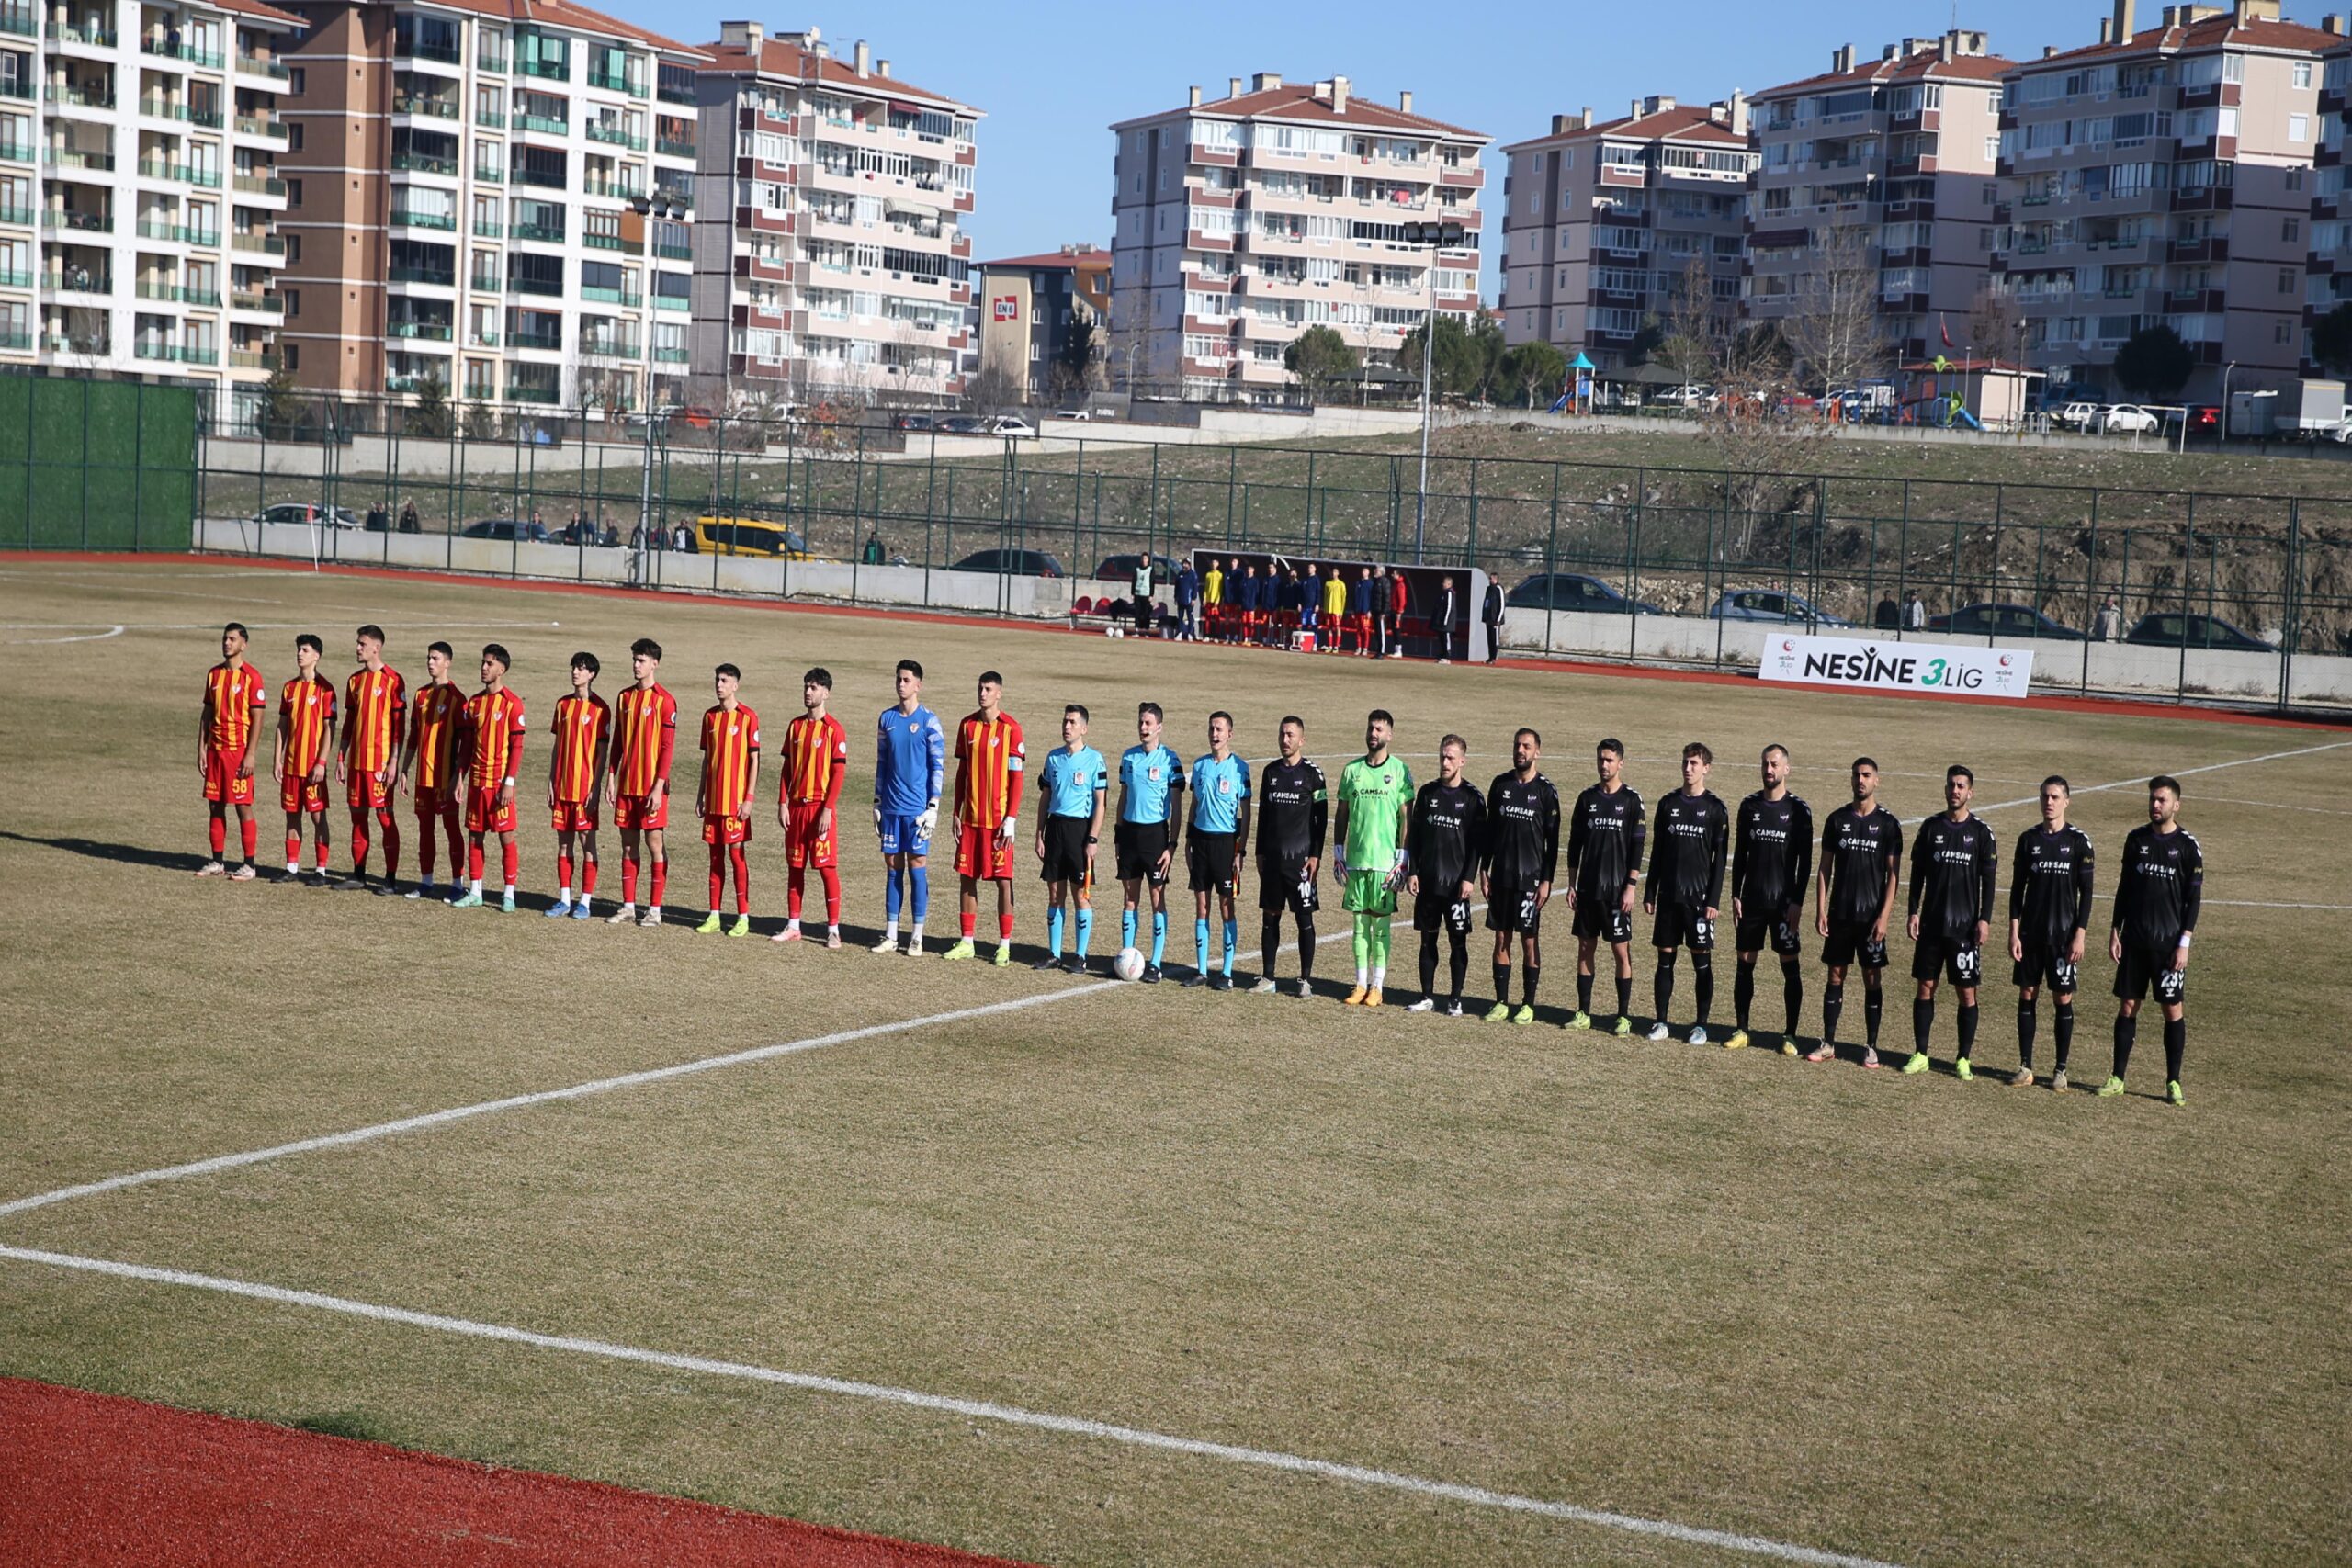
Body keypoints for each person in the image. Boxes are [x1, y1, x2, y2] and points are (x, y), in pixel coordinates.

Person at [2103, 776, 2201, 1105]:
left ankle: (2173, 1082)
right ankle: (2117, 1077)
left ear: (2176, 805)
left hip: (2169, 946)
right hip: (2135, 940)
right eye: (2152, 800)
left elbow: (2193, 899)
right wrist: (2116, 929)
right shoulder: (2136, 840)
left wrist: (2184, 943)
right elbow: (2124, 888)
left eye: (2161, 800)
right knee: (2128, 1005)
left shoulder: (2187, 847)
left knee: (2172, 1010)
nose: (2155, 806)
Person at [1903, 764, 1999, 1078]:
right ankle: (1921, 1053)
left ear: (1970, 792)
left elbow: (1989, 881)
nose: (1955, 790)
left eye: (1961, 786)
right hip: (1932, 925)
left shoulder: (1981, 833)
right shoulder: (1930, 828)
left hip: (1964, 928)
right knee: (1925, 987)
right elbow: (1917, 875)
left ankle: (1963, 1058)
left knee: (1966, 992)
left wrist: (1984, 920)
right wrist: (1913, 910)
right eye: (1951, 785)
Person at [1811, 758, 1904, 1066]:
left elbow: (1893, 875)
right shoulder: (1837, 820)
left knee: (1871, 978)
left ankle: (1871, 1046)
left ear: (1877, 780)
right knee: (1835, 975)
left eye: (1866, 775)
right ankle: (1828, 1042)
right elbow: (1824, 868)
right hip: (1840, 914)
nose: (1860, 780)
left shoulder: (1888, 825)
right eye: (1856, 775)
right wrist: (1821, 908)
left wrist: (1884, 917)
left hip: (1870, 918)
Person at [2008, 775, 2095, 1089]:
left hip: (2063, 938)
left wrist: (2080, 934)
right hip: (2030, 935)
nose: (2049, 802)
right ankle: (2025, 1066)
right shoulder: (2028, 840)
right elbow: (2017, 891)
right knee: (2027, 993)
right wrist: (2014, 932)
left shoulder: (2079, 843)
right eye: (2045, 796)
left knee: (2062, 998)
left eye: (2055, 797)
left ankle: (2060, 1070)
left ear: (2066, 801)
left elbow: (2087, 893)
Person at [1727, 744, 1813, 1054]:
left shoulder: (1799, 810)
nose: (1769, 770)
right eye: (1765, 764)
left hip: (1783, 904)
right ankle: (1742, 1029)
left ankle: (1790, 1034)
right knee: (1744, 964)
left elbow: (1806, 861)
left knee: (1789, 966)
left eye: (1775, 764)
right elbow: (1739, 855)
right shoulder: (1749, 807)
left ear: (1786, 769)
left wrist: (1798, 902)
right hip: (1751, 900)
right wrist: (1735, 893)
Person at [1645, 743, 1730, 1044]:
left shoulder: (1716, 810)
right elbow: (1657, 851)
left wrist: (1713, 900)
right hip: (1669, 897)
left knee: (1700, 961)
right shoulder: (1668, 804)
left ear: (1706, 768)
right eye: (1685, 762)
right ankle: (1661, 1022)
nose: (1688, 767)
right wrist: (1650, 891)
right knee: (1664, 959)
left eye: (1694, 763)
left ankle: (1701, 1026)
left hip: (1698, 902)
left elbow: (1720, 859)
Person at [1479, 728, 1562, 1022]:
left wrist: (1547, 880)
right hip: (1501, 876)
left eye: (1527, 746)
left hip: (1530, 880)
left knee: (1529, 940)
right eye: (1517, 745)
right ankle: (1501, 1001)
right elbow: (1489, 832)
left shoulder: (1546, 792)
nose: (1520, 750)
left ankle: (1527, 1004)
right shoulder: (1500, 785)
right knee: (1501, 938)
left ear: (1537, 752)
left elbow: (1552, 843)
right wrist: (1484, 869)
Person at [943, 671, 1025, 964]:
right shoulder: (967, 726)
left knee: (1004, 881)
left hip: (999, 823)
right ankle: (967, 941)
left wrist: (1011, 817)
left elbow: (1017, 779)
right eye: (980, 688)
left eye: (988, 689)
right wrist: (956, 811)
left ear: (999, 693)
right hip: (971, 820)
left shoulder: (1011, 729)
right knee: (967, 877)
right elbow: (962, 773)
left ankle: (1004, 944)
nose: (983, 693)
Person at [1332, 709, 1412, 1005]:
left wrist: (1403, 857)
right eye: (1370, 728)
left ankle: (1377, 986)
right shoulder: (1352, 770)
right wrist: (1338, 851)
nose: (1373, 734)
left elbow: (1407, 816)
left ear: (1389, 735)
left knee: (1380, 927)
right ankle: (1359, 984)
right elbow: (1341, 813)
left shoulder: (1400, 771)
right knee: (1358, 926)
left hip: (1384, 864)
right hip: (1355, 861)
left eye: (1379, 729)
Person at [1565, 739, 1644, 1034]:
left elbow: (1637, 847)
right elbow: (1575, 846)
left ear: (1621, 763)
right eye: (1601, 759)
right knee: (1586, 947)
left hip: (1616, 892)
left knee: (1620, 951)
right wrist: (1572, 884)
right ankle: (1584, 1012)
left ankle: (1623, 1016)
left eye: (1609, 760)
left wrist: (1631, 886)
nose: (1604, 765)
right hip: (1588, 890)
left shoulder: (1632, 801)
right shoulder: (1587, 799)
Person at [1407, 734, 1485, 1014]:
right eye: (1442, 756)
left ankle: (1455, 998)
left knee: (1457, 941)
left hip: (1456, 886)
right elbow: (1414, 837)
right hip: (1428, 882)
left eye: (1451, 757)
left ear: (1462, 761)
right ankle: (1427, 995)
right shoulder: (1427, 794)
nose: (1445, 761)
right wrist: (1412, 872)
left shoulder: (1473, 798)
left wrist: (1468, 878)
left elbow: (1477, 845)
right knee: (1427, 939)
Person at [603, 637, 679, 929]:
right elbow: (618, 742)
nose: (636, 665)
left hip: (651, 789)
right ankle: (628, 907)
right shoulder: (624, 698)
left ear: (655, 664)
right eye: (634, 659)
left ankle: (656, 910)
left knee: (654, 844)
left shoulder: (665, 700)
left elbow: (667, 748)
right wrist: (611, 777)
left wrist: (659, 787)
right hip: (627, 787)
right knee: (627, 846)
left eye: (642, 660)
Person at [872, 658, 946, 955]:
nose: (901, 684)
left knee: (917, 869)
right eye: (898, 679)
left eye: (906, 680)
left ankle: (917, 935)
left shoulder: (929, 722)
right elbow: (881, 763)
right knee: (892, 869)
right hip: (891, 808)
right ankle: (891, 934)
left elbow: (937, 766)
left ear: (918, 685)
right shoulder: (886, 719)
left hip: (917, 812)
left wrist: (933, 807)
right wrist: (877, 801)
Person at [775, 667, 850, 949]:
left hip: (819, 810)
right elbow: (786, 769)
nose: (808, 692)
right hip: (795, 809)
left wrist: (828, 809)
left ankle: (833, 929)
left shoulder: (834, 730)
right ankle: (794, 925)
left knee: (826, 869)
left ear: (826, 693)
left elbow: (839, 774)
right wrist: (782, 802)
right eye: (807, 687)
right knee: (795, 867)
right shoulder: (795, 727)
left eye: (815, 688)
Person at [1251, 716, 1327, 998]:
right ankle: (1268, 977)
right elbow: (1263, 817)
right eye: (1282, 734)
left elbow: (1320, 819)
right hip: (1272, 860)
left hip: (1301, 863)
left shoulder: (1313, 774)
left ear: (1301, 740)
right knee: (1270, 918)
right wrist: (1259, 852)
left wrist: (1315, 856)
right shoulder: (1270, 772)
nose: (1285, 740)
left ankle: (1305, 979)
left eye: (1291, 735)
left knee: (1304, 919)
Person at [1033, 704, 1107, 974]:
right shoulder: (1053, 758)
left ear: (1084, 728)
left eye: (1073, 722)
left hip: (1079, 832)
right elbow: (1045, 798)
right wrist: (1040, 833)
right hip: (1055, 830)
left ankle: (1080, 956)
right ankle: (1054, 953)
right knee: (1055, 893)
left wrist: (1093, 839)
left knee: (1080, 895)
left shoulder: (1095, 760)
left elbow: (1101, 804)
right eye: (1065, 721)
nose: (1067, 727)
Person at [451, 644, 526, 911]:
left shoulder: (512, 703)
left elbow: (517, 747)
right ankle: (476, 891)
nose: (484, 668)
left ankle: (509, 894)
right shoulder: (474, 703)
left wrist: (509, 782)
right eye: (483, 663)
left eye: (489, 664)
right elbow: (467, 747)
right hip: (476, 783)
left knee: (506, 837)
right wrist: (460, 777)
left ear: (502, 669)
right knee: (475, 836)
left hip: (499, 784)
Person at [1114, 701, 1184, 982]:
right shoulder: (1129, 758)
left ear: (1159, 727)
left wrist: (1172, 845)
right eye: (1141, 722)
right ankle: (1127, 955)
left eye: (1148, 723)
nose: (1143, 728)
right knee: (1130, 898)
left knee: (1157, 898)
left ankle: (1155, 963)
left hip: (1156, 836)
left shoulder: (1170, 760)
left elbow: (1177, 807)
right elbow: (1122, 798)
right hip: (1130, 835)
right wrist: (1118, 836)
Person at [1182, 712, 1252, 989]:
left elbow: (1245, 813)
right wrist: (1187, 840)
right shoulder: (1199, 766)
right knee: (1201, 906)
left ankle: (1226, 972)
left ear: (1229, 734)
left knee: (1226, 907)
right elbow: (1193, 804)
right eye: (1212, 728)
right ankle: (1201, 970)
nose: (1215, 733)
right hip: (1200, 842)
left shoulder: (1240, 768)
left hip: (1225, 844)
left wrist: (1240, 850)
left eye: (1220, 729)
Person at [196, 621, 269, 880]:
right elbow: (207, 713)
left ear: (243, 644)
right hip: (216, 750)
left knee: (242, 806)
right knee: (215, 805)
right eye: (225, 639)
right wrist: (201, 748)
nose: (227, 643)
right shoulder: (214, 675)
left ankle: (249, 864)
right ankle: (217, 861)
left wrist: (251, 753)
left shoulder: (252, 677)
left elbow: (258, 717)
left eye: (232, 639)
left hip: (238, 752)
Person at [336, 625, 407, 893]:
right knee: (357, 817)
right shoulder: (354, 681)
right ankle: (358, 874)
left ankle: (390, 878)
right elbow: (349, 722)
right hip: (356, 763)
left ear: (376, 648)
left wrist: (393, 762)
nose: (357, 648)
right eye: (358, 643)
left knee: (385, 818)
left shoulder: (393, 680)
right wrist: (341, 757)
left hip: (379, 765)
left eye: (362, 644)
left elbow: (398, 726)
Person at [542, 651, 612, 920]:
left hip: (584, 790)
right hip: (563, 787)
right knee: (563, 844)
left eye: (581, 668)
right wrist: (551, 780)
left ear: (592, 674)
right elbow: (557, 747)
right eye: (574, 667)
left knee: (587, 843)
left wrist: (595, 787)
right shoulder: (562, 705)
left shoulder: (600, 709)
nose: (575, 672)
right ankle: (563, 900)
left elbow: (601, 754)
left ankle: (585, 901)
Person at [692, 665, 759, 936]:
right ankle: (714, 916)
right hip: (714, 803)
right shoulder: (709, 717)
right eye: (717, 680)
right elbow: (707, 760)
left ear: (736, 686)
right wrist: (700, 795)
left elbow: (754, 759)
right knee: (714, 857)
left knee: (736, 855)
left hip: (736, 803)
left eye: (725, 681)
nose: (719, 685)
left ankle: (743, 916)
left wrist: (749, 798)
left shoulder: (748, 717)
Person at [398, 640, 466, 900]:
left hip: (445, 779)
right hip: (422, 779)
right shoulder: (420, 695)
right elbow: (413, 736)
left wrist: (457, 777)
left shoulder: (457, 698)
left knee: (451, 829)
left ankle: (458, 884)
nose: (430, 662)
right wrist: (405, 769)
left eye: (435, 658)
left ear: (447, 663)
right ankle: (426, 881)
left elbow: (464, 744)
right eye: (428, 658)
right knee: (425, 830)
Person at [273, 633, 337, 886]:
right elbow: (282, 726)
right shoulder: (289, 688)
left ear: (317, 656)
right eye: (299, 650)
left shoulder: (325, 689)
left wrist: (321, 762)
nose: (300, 654)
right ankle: (292, 867)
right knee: (292, 815)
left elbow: (329, 729)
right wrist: (277, 759)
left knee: (318, 817)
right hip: (291, 766)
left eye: (306, 650)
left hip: (313, 769)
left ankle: (321, 870)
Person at [1347, 567, 1375, 658]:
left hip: (1366, 611)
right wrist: (1353, 610)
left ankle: (1365, 648)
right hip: (1357, 610)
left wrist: (1370, 610)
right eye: (1362, 571)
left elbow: (1372, 598)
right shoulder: (1357, 583)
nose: (1363, 572)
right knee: (1358, 630)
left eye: (1365, 571)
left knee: (1366, 630)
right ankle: (1359, 647)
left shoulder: (1371, 584)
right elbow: (1353, 597)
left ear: (1368, 573)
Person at [1430, 575, 1460, 664]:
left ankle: (1447, 657)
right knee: (1441, 639)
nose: (1442, 584)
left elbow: (1449, 607)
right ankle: (1442, 656)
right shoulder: (1443, 594)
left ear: (1449, 584)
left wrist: (1445, 620)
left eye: (1444, 583)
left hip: (1447, 622)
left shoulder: (1450, 593)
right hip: (1441, 622)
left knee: (1446, 639)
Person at [1321, 565, 1349, 654]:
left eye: (1335, 572)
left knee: (1337, 627)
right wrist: (1325, 609)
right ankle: (1330, 645)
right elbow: (1325, 597)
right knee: (1329, 628)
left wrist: (1341, 611)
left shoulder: (1341, 584)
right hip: (1329, 609)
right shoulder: (1327, 584)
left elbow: (1343, 598)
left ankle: (1336, 646)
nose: (1333, 574)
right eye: (1332, 572)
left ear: (1338, 573)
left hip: (1337, 610)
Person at [1371, 564, 1394, 659]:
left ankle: (1381, 652)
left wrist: (1384, 612)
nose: (1375, 572)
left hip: (1381, 611)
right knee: (1377, 632)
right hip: (1375, 610)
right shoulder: (1375, 582)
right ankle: (1378, 651)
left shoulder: (1385, 582)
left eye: (1376, 570)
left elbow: (1387, 598)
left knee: (1381, 632)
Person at [1174, 558, 1200, 642]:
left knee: (1190, 617)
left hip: (1189, 601)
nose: (1185, 565)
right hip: (1181, 600)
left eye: (1186, 564)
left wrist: (1193, 598)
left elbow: (1195, 588)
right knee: (1180, 617)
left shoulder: (1193, 575)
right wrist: (1176, 597)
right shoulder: (1180, 574)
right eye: (1184, 564)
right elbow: (1177, 587)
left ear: (1189, 565)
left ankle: (1190, 634)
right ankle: (1180, 633)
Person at [1387, 565, 1409, 659]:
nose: (1392, 575)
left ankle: (1399, 650)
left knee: (1397, 630)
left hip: (1397, 612)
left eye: (1394, 574)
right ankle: (1396, 649)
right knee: (1394, 630)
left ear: (1398, 575)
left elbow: (1402, 600)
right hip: (1393, 610)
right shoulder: (1395, 584)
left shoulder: (1400, 585)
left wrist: (1399, 612)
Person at [1480, 577, 1504, 664]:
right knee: (1489, 639)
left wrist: (1498, 619)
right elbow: (1486, 602)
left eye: (1492, 579)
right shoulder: (1489, 589)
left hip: (1495, 620)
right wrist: (1484, 616)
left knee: (1494, 639)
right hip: (1489, 619)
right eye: (1490, 578)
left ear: (1496, 579)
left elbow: (1502, 605)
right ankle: (1490, 657)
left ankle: (1494, 657)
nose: (1490, 580)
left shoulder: (1499, 589)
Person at [1202, 557, 1226, 640]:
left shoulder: (1220, 575)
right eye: (1212, 563)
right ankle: (1207, 635)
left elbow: (1220, 589)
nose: (1213, 564)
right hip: (1208, 600)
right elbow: (1206, 588)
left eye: (1215, 563)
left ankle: (1216, 636)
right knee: (1207, 618)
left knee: (1216, 618)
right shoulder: (1208, 574)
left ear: (1218, 564)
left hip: (1216, 600)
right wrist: (1204, 598)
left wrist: (1218, 600)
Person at [1131, 557, 1155, 638]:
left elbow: (1152, 582)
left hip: (1146, 594)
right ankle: (1136, 630)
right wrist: (1132, 593)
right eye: (1143, 559)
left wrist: (1151, 595)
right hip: (1138, 593)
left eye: (1146, 559)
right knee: (1137, 613)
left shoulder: (1150, 570)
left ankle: (1146, 631)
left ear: (1148, 560)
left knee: (1146, 613)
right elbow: (1134, 581)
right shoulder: (1137, 569)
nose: (1144, 561)